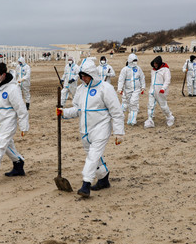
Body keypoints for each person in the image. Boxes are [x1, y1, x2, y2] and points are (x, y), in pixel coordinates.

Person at [57, 59, 125, 197]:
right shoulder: (81, 90)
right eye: (81, 76)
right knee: (93, 156)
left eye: (86, 75)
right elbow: (77, 109)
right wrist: (63, 112)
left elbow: (116, 111)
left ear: (93, 74)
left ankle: (85, 185)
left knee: (92, 157)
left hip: (101, 128)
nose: (83, 78)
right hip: (85, 130)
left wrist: (119, 132)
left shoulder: (106, 88)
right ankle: (104, 179)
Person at [144, 56, 175, 128]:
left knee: (163, 106)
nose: (155, 65)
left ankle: (170, 117)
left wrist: (163, 88)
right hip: (152, 90)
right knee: (150, 105)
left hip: (160, 91)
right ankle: (150, 120)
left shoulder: (165, 70)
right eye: (154, 63)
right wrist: (151, 89)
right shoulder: (153, 70)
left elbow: (167, 80)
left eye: (156, 63)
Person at [116, 54, 145, 125]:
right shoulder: (125, 70)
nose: (135, 62)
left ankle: (133, 120)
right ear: (130, 60)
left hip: (136, 89)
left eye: (136, 60)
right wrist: (120, 89)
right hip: (127, 90)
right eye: (134, 60)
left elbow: (142, 77)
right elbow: (121, 80)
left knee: (133, 103)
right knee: (129, 104)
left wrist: (143, 87)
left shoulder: (138, 69)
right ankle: (130, 119)